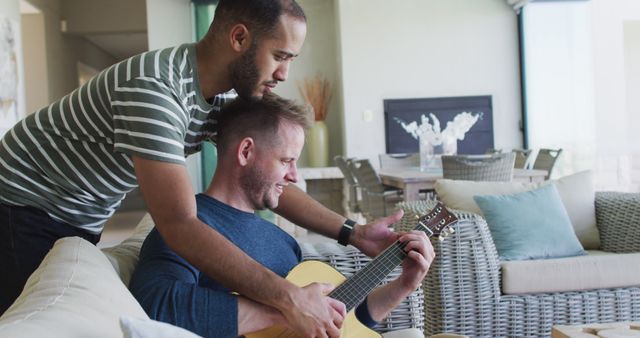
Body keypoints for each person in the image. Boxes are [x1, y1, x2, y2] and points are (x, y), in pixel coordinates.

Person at [0, 1, 404, 336]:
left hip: (79, 212)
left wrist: (355, 233)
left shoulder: (210, 101)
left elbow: (265, 176)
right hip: (22, 202)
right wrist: (288, 297)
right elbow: (180, 225)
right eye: (279, 56)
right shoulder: (155, 90)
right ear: (240, 38)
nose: (284, 74)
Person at [129, 93, 434, 338]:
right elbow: (154, 304)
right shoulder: (190, 230)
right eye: (286, 160)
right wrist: (287, 309)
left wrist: (404, 284)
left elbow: (340, 323)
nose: (293, 176)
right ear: (245, 152)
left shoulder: (280, 240)